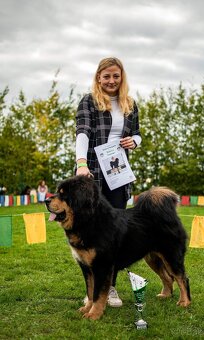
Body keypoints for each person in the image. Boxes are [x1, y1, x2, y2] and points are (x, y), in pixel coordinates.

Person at [75, 57, 142, 307]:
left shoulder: (130, 104)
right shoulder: (89, 101)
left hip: (118, 172)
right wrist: (81, 163)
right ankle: (91, 290)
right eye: (106, 76)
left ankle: (110, 288)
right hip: (91, 171)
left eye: (116, 76)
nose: (111, 81)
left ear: (121, 77)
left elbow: (137, 133)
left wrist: (134, 142)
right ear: (98, 78)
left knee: (114, 233)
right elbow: (82, 132)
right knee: (89, 233)